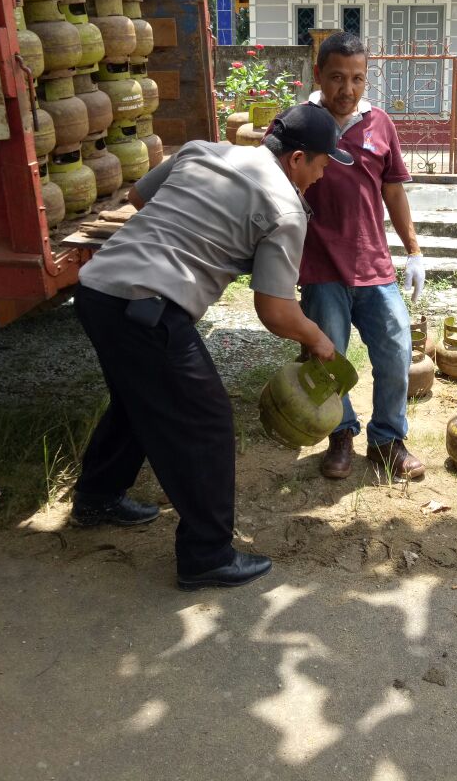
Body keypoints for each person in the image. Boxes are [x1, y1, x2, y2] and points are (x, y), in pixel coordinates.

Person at [70, 105, 352, 591]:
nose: (322, 176)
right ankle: (206, 554)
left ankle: (97, 498)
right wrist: (318, 339)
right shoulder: (285, 209)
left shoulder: (200, 151)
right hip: (147, 309)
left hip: (97, 291)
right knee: (207, 422)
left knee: (138, 400)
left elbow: (139, 198)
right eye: (323, 166)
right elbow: (274, 309)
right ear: (297, 159)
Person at [299, 31, 427, 481]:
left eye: (357, 79)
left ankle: (388, 440)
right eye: (336, 77)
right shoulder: (298, 122)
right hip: (318, 267)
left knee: (395, 349)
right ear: (318, 75)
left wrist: (413, 250)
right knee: (327, 357)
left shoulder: (380, 124)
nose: (347, 90)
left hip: (374, 265)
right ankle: (340, 434)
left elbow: (393, 190)